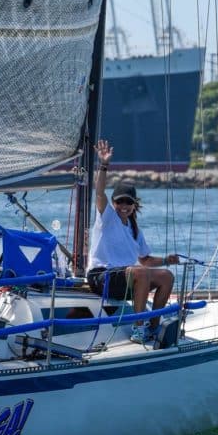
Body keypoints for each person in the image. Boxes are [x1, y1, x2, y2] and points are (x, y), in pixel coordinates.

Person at [86, 139, 175, 343]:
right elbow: (99, 193)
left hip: (127, 277)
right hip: (101, 277)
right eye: (120, 202)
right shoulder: (107, 218)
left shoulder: (135, 229)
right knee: (140, 273)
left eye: (129, 202)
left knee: (166, 276)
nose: (124, 206)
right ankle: (138, 329)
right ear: (113, 203)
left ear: (134, 205)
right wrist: (104, 165)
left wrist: (168, 259)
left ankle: (153, 327)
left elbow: (146, 260)